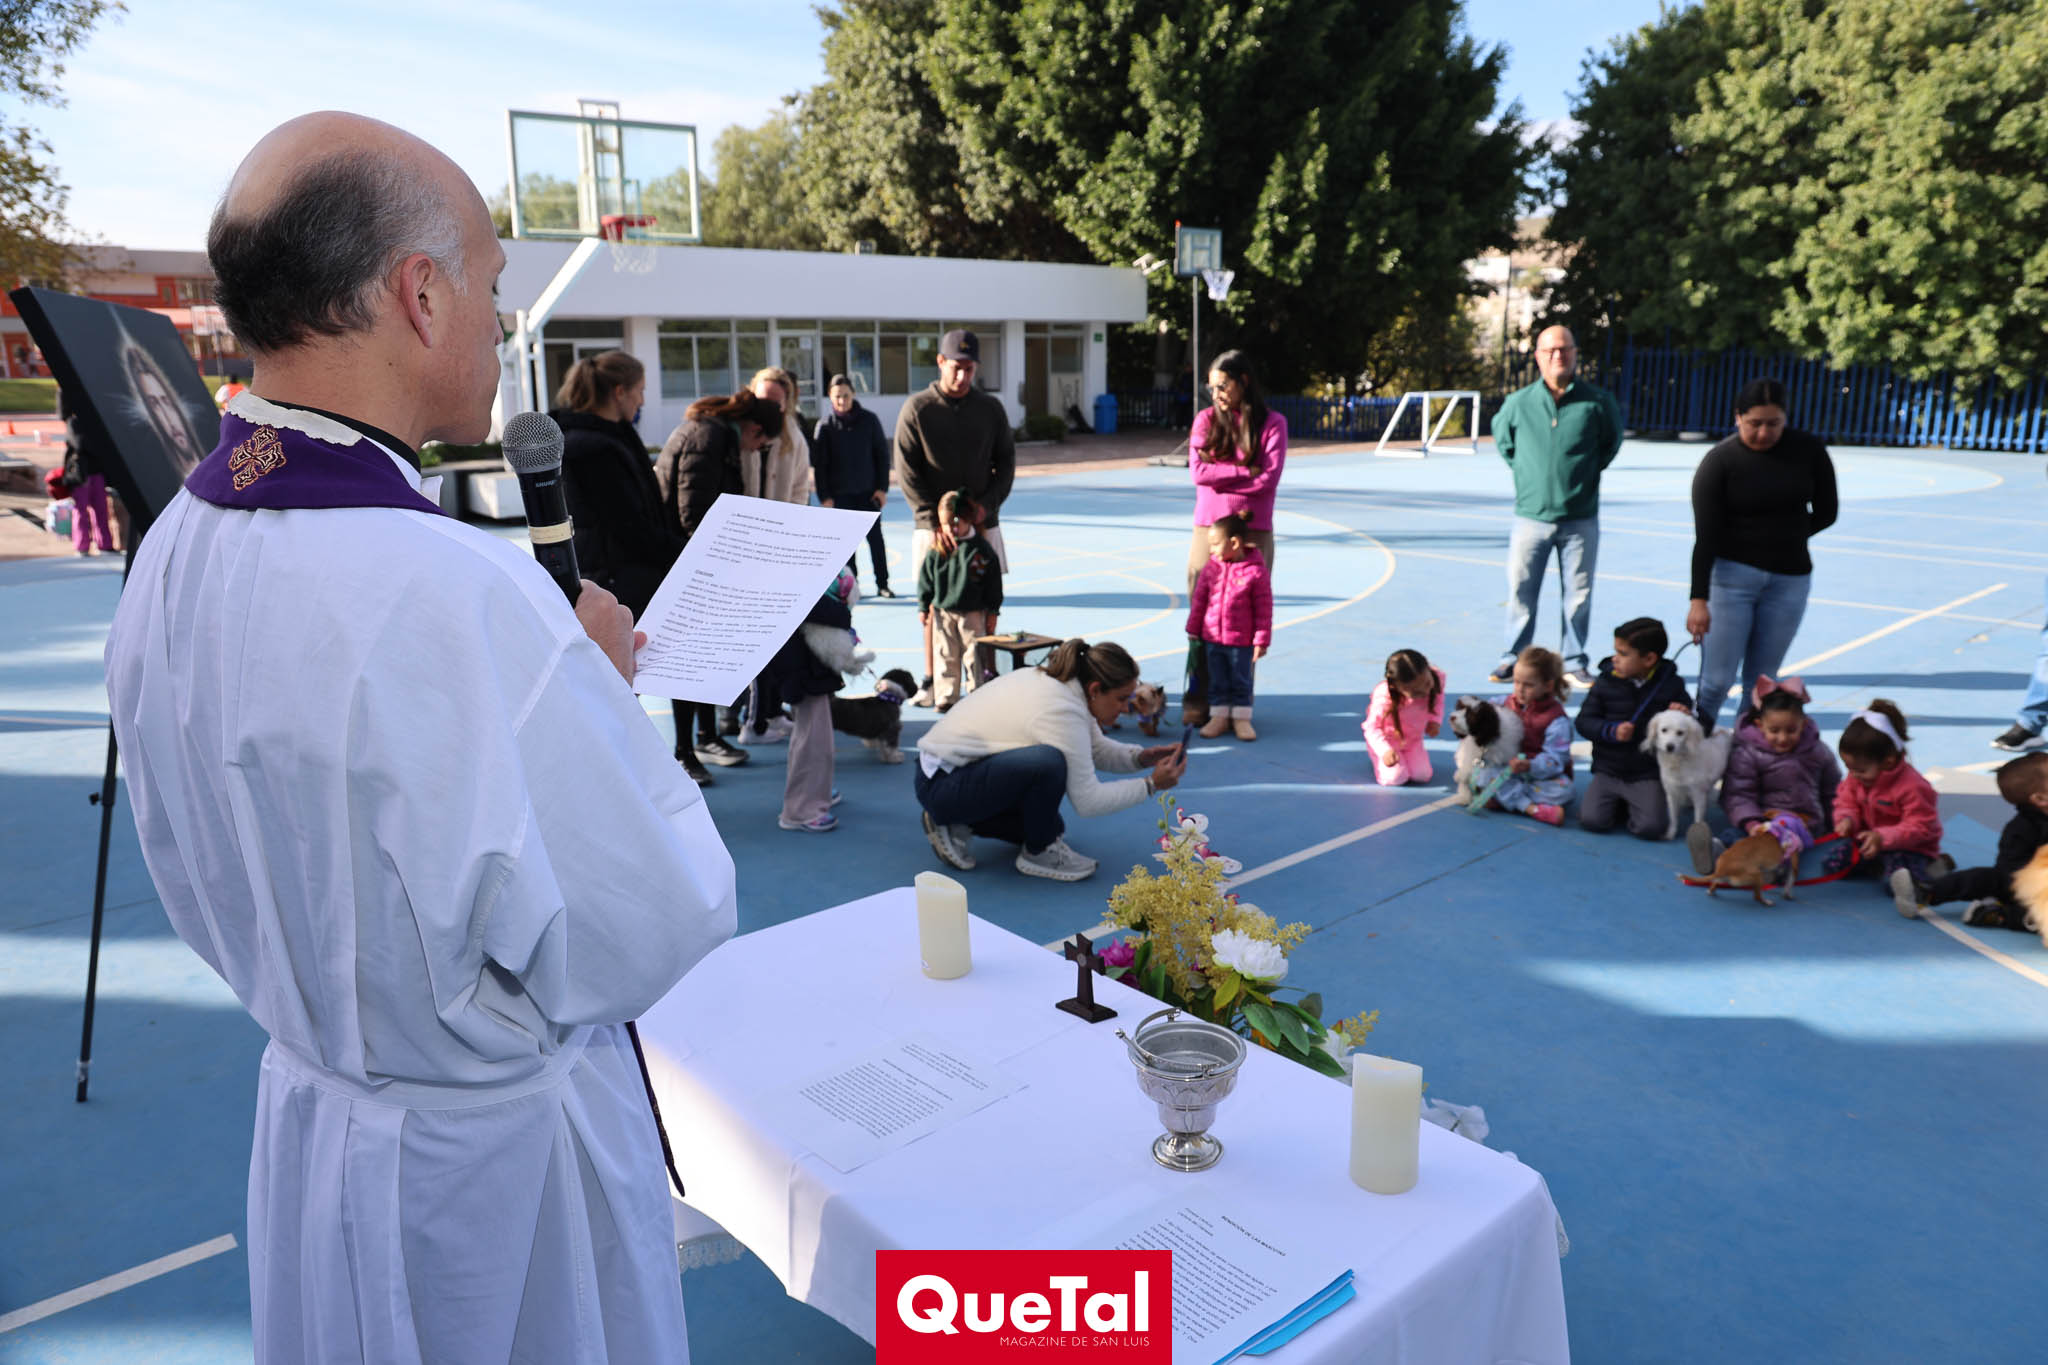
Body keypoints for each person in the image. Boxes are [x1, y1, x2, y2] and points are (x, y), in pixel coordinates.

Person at [102, 113, 737, 1365]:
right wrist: (597, 694)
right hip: (493, 1183)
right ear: (421, 293)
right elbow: (645, 925)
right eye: (490, 287)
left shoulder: (175, 543)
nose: (497, 325)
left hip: (321, 1124)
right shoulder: (454, 589)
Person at [914, 638, 1186, 881]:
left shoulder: (1068, 689)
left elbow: (1096, 749)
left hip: (949, 775)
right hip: (942, 785)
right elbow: (1088, 802)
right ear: (1095, 689)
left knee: (1049, 826)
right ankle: (1036, 852)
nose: (1126, 708)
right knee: (1049, 763)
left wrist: (1141, 758)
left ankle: (959, 820)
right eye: (1121, 698)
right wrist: (1151, 785)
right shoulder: (1062, 708)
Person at [1685, 378, 1839, 730]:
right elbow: (1705, 537)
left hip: (1789, 581)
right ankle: (1697, 744)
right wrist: (1698, 600)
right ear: (1737, 417)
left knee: (1762, 683)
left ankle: (1748, 752)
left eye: (1774, 423)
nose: (1764, 432)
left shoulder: (1809, 451)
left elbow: (1827, 511)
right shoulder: (1719, 462)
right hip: (1730, 580)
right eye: (1754, 423)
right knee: (1716, 681)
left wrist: (1787, 535)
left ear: (1786, 419)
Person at [656, 387, 787, 781]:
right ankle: (684, 749)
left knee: (702, 656)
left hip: (691, 558)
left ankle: (706, 736)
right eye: (762, 443)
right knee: (687, 658)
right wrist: (719, 562)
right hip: (687, 562)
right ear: (754, 429)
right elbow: (692, 510)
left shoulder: (714, 433)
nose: (758, 450)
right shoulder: (709, 436)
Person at [1490, 325, 1623, 689]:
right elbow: (1506, 444)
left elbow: (1610, 445)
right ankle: (1514, 658)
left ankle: (1574, 661)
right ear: (1537, 356)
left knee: (1578, 596)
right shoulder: (1519, 403)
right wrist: (1530, 477)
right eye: (1550, 350)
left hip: (1580, 519)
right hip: (1531, 518)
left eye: (1564, 349)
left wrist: (1580, 478)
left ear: (1575, 353)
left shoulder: (1597, 402)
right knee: (1521, 592)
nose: (1557, 356)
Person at [893, 328, 1015, 706]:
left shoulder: (990, 409)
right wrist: (935, 523)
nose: (962, 376)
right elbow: (907, 472)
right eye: (955, 367)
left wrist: (985, 507)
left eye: (969, 368)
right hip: (933, 530)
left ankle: (984, 680)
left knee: (985, 605)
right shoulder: (917, 409)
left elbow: (1006, 464)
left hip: (982, 524)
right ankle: (933, 682)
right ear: (940, 362)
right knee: (933, 606)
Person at [1183, 350, 1286, 724]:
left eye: (1222, 386)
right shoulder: (1206, 420)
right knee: (1203, 613)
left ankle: (1236, 704)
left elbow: (1268, 479)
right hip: (1209, 530)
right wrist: (1244, 470)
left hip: (1253, 531)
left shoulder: (1272, 423)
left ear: (1244, 382)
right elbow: (1199, 473)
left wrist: (1222, 473)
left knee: (1245, 615)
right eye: (1211, 388)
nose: (1216, 395)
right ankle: (1200, 698)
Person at [554, 350, 675, 619]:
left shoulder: (611, 438)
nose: (642, 401)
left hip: (624, 578)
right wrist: (683, 550)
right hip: (618, 585)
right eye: (640, 391)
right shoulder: (594, 450)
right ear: (620, 392)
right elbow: (629, 527)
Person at [1689, 678, 1841, 876]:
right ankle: (1715, 850)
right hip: (1762, 819)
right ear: (1760, 725)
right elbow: (1738, 795)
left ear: (1803, 725)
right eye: (1774, 731)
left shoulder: (1818, 752)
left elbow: (1833, 791)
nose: (1783, 738)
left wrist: (1838, 820)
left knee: (1786, 844)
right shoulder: (1748, 754)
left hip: (1803, 822)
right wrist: (1752, 823)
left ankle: (1771, 867)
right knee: (1739, 837)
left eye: (1791, 730)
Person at [763, 567, 866, 833]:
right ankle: (801, 809)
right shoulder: (796, 573)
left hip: (803, 663)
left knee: (812, 735)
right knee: (813, 740)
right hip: (801, 666)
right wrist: (842, 608)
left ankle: (815, 790)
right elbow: (827, 612)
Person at [1575, 617, 1695, 839]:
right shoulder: (1605, 682)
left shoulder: (1671, 685)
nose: (1615, 659)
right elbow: (1583, 722)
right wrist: (1611, 731)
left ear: (1649, 659)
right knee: (1592, 820)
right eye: (1616, 652)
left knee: (1651, 827)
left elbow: (1694, 722)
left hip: (1646, 772)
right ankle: (1621, 802)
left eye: (1623, 654)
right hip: (1609, 770)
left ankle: (1632, 803)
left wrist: (1684, 712)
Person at [1832, 700, 1949, 917]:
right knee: (1835, 864)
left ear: (1888, 761)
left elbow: (1920, 827)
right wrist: (1847, 819)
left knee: (1894, 882)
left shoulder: (1913, 787)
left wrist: (1882, 837)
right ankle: (1879, 865)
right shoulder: (1857, 776)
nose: (1853, 775)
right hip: (1871, 840)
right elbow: (1846, 801)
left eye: (1860, 770)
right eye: (1849, 768)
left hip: (1910, 847)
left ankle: (1936, 867)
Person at [1912, 752, 2048, 929]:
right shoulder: (2022, 830)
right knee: (1983, 879)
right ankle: (1930, 892)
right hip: (2025, 887)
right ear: (2040, 799)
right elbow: (2011, 870)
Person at [1186, 511, 1272, 741]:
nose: (1211, 549)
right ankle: (1219, 717)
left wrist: (1261, 640)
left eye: (1215, 544)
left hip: (1240, 642)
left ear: (1234, 543)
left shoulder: (1255, 571)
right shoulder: (1211, 568)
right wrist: (1193, 628)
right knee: (1217, 680)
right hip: (1212, 638)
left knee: (1241, 680)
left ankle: (1241, 718)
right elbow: (1200, 600)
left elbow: (1263, 609)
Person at [918, 490, 1003, 711]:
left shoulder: (981, 550)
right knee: (945, 654)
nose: (951, 529)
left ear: (967, 519)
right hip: (943, 612)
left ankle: (977, 694)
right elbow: (926, 579)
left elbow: (993, 584)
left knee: (975, 655)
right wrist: (923, 606)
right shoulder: (938, 549)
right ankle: (946, 696)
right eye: (945, 525)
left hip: (972, 613)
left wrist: (992, 611)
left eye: (955, 523)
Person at [812, 373, 894, 596]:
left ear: (853, 394)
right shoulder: (825, 426)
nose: (842, 400)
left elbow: (882, 456)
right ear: (830, 397)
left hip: (868, 494)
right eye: (837, 396)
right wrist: (824, 496)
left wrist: (882, 488)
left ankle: (883, 584)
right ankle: (853, 586)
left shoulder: (870, 420)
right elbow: (820, 466)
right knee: (846, 547)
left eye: (846, 395)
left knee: (876, 541)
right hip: (840, 497)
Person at [1481, 646, 1574, 825]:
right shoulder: (1505, 703)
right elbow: (1484, 711)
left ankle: (1513, 801)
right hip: (1508, 769)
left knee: (1565, 791)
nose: (1520, 689)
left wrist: (1530, 765)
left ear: (1548, 686)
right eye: (1516, 682)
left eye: (1528, 685)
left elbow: (1556, 760)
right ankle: (1532, 807)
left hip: (1538, 776)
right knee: (1483, 773)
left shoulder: (1556, 720)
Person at [1363, 648, 1445, 786]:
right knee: (1395, 778)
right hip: (1389, 742)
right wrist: (1385, 751)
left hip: (1413, 741)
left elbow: (1438, 701)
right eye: (1415, 692)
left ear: (1428, 669)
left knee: (1422, 776)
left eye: (1427, 684)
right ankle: (1376, 757)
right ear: (1395, 687)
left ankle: (1408, 757)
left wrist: (1435, 721)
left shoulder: (1436, 678)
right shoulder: (1384, 697)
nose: (1425, 691)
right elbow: (1371, 728)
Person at [57, 386, 114, 555]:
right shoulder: (73, 422)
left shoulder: (95, 420)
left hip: (96, 471)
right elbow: (80, 444)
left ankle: (104, 543)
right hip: (81, 473)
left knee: (101, 509)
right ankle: (82, 546)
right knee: (80, 510)